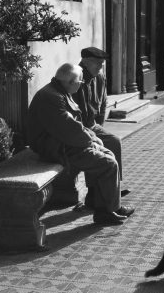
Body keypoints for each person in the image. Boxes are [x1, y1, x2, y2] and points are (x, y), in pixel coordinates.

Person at [28, 63, 134, 225]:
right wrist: (91, 140)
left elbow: (75, 125)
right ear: (70, 81)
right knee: (107, 163)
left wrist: (91, 137)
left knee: (108, 153)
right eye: (80, 81)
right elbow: (68, 130)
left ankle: (108, 206)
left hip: (63, 143)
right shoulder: (52, 97)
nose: (81, 84)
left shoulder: (59, 91)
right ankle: (106, 212)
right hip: (55, 148)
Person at [73, 47, 129, 209]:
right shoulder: (77, 78)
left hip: (92, 124)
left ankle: (112, 188)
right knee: (96, 149)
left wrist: (99, 127)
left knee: (114, 141)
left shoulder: (100, 77)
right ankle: (94, 192)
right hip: (79, 127)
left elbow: (103, 104)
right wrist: (90, 135)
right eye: (97, 63)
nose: (100, 67)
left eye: (102, 64)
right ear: (86, 63)